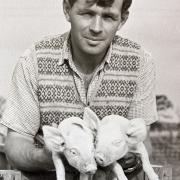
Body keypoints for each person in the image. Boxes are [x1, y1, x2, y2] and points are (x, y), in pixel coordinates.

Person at [0, 0, 158, 179]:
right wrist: (47, 156)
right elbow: (15, 145)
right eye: (87, 14)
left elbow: (142, 142)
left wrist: (126, 159)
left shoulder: (140, 63)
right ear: (67, 10)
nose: (96, 27)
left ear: (123, 19)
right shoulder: (33, 61)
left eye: (108, 17)